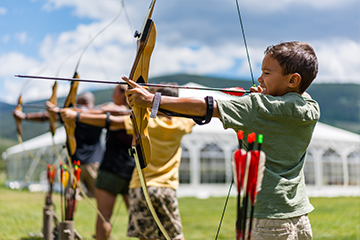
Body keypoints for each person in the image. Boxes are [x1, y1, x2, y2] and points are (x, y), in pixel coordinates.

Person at [123, 41, 320, 239]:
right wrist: (270, 94)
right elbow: (295, 98)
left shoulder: (256, 107)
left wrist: (151, 100)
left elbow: (205, 108)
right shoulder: (311, 108)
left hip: (267, 217)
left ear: (293, 80)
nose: (260, 78)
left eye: (267, 73)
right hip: (299, 215)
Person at [61, 83, 195, 240]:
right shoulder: (183, 124)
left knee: (141, 234)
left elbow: (109, 122)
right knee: (174, 236)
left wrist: (76, 116)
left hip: (140, 187)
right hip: (166, 188)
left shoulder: (143, 122)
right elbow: (193, 110)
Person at [60, 85, 134, 240]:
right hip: (132, 171)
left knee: (104, 215)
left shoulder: (115, 114)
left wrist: (76, 114)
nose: (113, 95)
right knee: (135, 216)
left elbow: (104, 117)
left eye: (115, 93)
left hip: (111, 169)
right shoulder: (140, 115)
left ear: (124, 95)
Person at [13, 92, 104, 198]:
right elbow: (49, 117)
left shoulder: (96, 115)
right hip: (75, 163)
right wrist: (25, 116)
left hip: (90, 163)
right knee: (70, 199)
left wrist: (62, 110)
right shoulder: (72, 116)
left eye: (79, 103)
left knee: (100, 199)